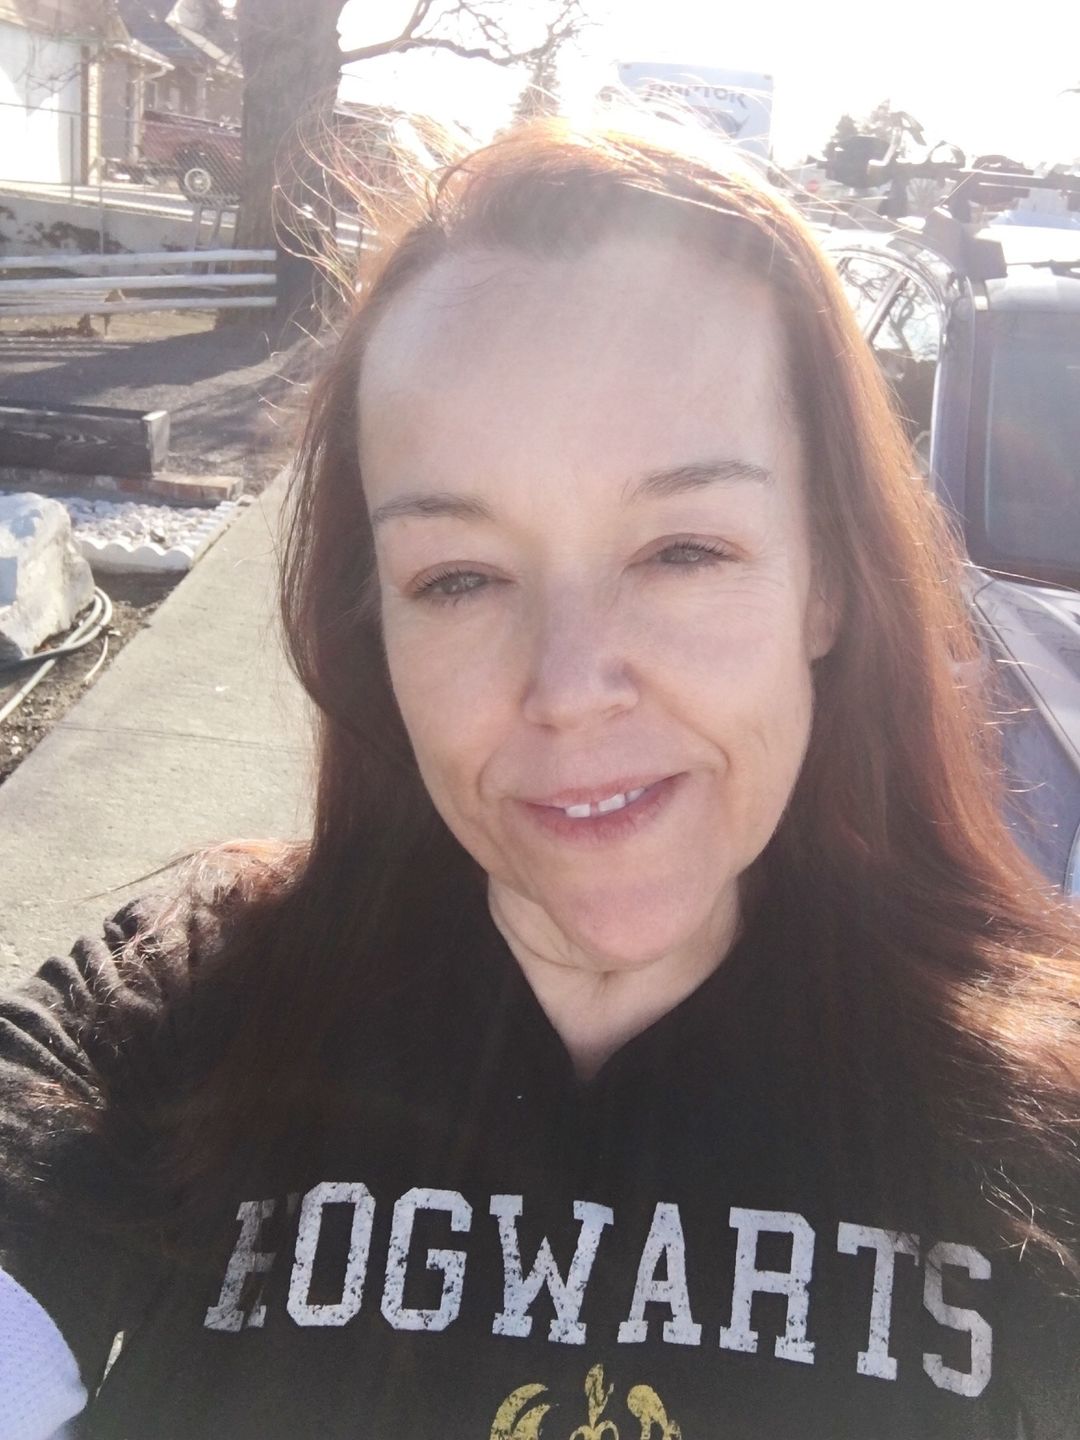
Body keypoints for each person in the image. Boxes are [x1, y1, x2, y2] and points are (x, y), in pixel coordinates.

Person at [2, 115, 1080, 1440]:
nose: (568, 687)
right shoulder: (177, 1009)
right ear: (374, 629)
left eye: (683, 550)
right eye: (460, 577)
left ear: (828, 584)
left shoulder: (1042, 1124)